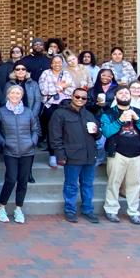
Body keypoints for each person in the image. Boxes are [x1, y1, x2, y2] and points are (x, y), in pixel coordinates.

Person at [100, 87, 140, 224]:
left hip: (137, 154)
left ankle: (133, 212)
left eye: (126, 93)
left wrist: (137, 119)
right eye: (120, 93)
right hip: (117, 153)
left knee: (134, 184)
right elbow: (106, 132)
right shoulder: (108, 113)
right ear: (115, 97)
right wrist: (119, 120)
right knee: (114, 182)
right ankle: (111, 210)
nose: (124, 95)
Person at [49, 88, 102, 223]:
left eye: (83, 98)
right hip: (72, 155)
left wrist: (96, 132)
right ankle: (70, 210)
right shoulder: (60, 113)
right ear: (72, 96)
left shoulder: (89, 115)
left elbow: (98, 135)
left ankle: (88, 210)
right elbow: (55, 136)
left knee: (88, 184)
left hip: (90, 155)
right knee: (71, 185)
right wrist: (60, 155)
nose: (80, 99)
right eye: (77, 96)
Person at [0, 85, 40, 224]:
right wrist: (4, 142)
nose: (15, 95)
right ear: (8, 95)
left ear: (22, 96)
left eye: (18, 93)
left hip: (27, 151)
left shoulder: (28, 112)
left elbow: (35, 129)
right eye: (12, 93)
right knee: (11, 179)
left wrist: (32, 142)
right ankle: (1, 207)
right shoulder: (1, 112)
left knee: (23, 181)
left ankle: (18, 209)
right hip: (10, 151)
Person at [39, 55, 76, 167]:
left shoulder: (66, 74)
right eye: (55, 62)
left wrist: (56, 87)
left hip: (65, 105)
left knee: (66, 130)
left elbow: (72, 89)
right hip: (50, 105)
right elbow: (44, 90)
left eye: (59, 62)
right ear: (51, 63)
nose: (57, 64)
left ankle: (64, 155)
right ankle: (53, 155)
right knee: (53, 131)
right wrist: (62, 86)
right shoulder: (46, 74)